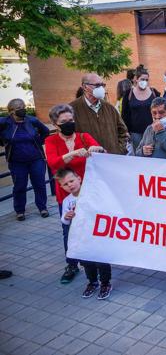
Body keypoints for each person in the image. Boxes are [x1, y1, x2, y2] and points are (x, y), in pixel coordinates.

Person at [45, 104, 104, 284]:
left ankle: (96, 260)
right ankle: (71, 263)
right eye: (64, 122)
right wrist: (71, 154)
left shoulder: (84, 137)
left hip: (88, 192)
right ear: (56, 124)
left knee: (93, 225)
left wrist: (98, 149)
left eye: (71, 120)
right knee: (69, 229)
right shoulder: (51, 141)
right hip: (67, 194)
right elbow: (53, 163)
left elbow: (100, 150)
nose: (69, 124)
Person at [56, 167, 113, 300]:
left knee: (101, 261)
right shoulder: (66, 201)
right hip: (82, 238)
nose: (69, 185)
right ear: (61, 187)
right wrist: (67, 217)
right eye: (65, 184)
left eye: (71, 181)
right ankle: (92, 282)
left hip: (98, 235)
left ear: (79, 179)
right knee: (87, 262)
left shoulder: (92, 193)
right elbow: (64, 222)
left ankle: (105, 283)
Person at [0, 98, 50, 221]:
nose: (22, 109)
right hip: (16, 162)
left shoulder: (32, 120)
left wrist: (39, 141)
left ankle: (42, 207)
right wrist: (3, 142)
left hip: (36, 159)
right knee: (19, 186)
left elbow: (46, 131)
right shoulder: (5, 123)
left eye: (23, 106)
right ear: (11, 111)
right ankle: (20, 211)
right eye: (18, 108)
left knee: (39, 184)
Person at [70, 73, 129, 155]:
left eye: (102, 85)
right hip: (87, 161)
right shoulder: (72, 109)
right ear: (84, 87)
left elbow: (123, 131)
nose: (101, 88)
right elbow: (68, 137)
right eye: (97, 85)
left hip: (111, 157)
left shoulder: (109, 108)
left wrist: (119, 150)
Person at [122, 65, 160, 149]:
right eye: (142, 79)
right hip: (135, 133)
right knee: (139, 155)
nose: (145, 81)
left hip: (152, 131)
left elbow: (160, 111)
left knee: (152, 153)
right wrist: (126, 131)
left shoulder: (154, 93)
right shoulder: (128, 94)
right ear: (136, 79)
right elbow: (124, 114)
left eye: (146, 80)